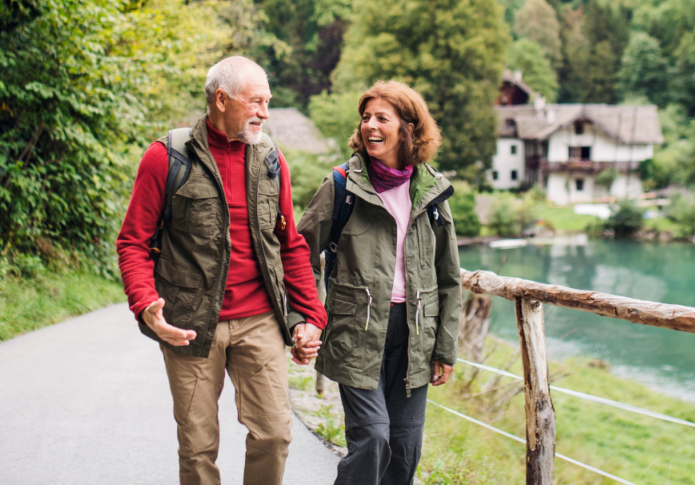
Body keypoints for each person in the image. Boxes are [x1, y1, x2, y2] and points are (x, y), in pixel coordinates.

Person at [116, 56, 328, 485]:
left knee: (274, 435)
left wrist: (309, 317)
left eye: (267, 102)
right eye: (256, 102)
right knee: (197, 447)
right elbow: (133, 242)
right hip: (189, 324)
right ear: (221, 99)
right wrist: (145, 305)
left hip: (260, 320)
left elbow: (290, 244)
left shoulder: (271, 160)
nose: (265, 113)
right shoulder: (166, 158)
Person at [297, 81, 461, 485]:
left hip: (415, 338)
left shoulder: (431, 192)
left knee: (404, 453)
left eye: (382, 118)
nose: (370, 125)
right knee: (372, 440)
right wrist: (308, 316)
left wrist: (445, 346)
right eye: (366, 117)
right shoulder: (342, 186)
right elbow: (300, 253)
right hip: (356, 332)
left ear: (408, 128)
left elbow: (449, 277)